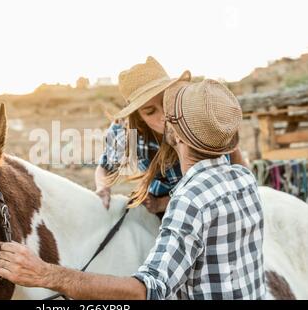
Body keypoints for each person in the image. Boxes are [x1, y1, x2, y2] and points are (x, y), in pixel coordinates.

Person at [0, 78, 266, 300]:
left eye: (169, 112)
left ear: (177, 133)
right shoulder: (244, 178)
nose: (162, 118)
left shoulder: (189, 199)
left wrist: (44, 274)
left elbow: (146, 291)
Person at [95, 57, 246, 216]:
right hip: (164, 208)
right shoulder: (124, 132)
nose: (164, 115)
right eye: (150, 111)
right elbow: (104, 168)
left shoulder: (194, 114)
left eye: (166, 101)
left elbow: (235, 161)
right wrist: (102, 188)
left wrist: (161, 204)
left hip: (215, 200)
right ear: (138, 117)